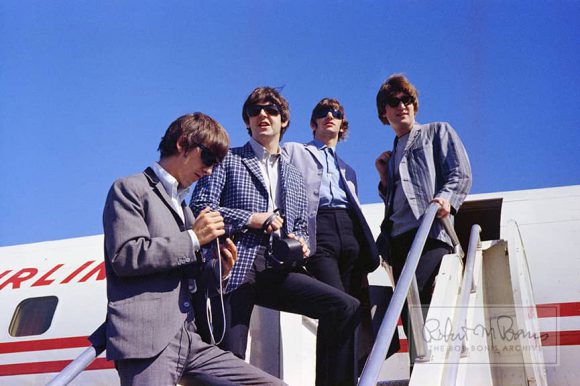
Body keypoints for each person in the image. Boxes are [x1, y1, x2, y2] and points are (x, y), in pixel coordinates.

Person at [91, 113, 283, 385]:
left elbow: (195, 279)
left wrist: (221, 271)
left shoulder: (185, 210)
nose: (210, 171)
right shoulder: (130, 189)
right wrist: (194, 238)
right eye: (209, 159)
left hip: (189, 339)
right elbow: (126, 256)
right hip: (147, 341)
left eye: (217, 165)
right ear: (182, 144)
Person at [190, 87, 361, 386]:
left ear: (284, 121)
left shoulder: (294, 174)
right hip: (234, 267)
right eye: (254, 112)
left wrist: (302, 242)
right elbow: (200, 207)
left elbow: (301, 224)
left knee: (345, 307)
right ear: (247, 122)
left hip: (278, 269)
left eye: (270, 110)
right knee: (228, 360)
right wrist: (252, 219)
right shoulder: (228, 159)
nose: (262, 116)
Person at [282, 98, 393, 366]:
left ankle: (350, 374)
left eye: (336, 113)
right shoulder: (294, 151)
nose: (330, 115)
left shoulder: (349, 170)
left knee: (352, 309)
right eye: (322, 112)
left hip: (350, 232)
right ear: (313, 123)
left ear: (343, 123)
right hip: (318, 229)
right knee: (335, 304)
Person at [374, 74, 472, 365]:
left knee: (421, 300)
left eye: (407, 100)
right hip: (398, 240)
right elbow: (398, 201)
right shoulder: (391, 156)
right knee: (407, 308)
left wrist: (446, 199)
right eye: (394, 102)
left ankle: (434, 367)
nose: (401, 105)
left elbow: (460, 173)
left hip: (429, 234)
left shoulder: (436, 132)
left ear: (414, 105)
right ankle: (421, 367)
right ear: (384, 112)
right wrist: (384, 178)